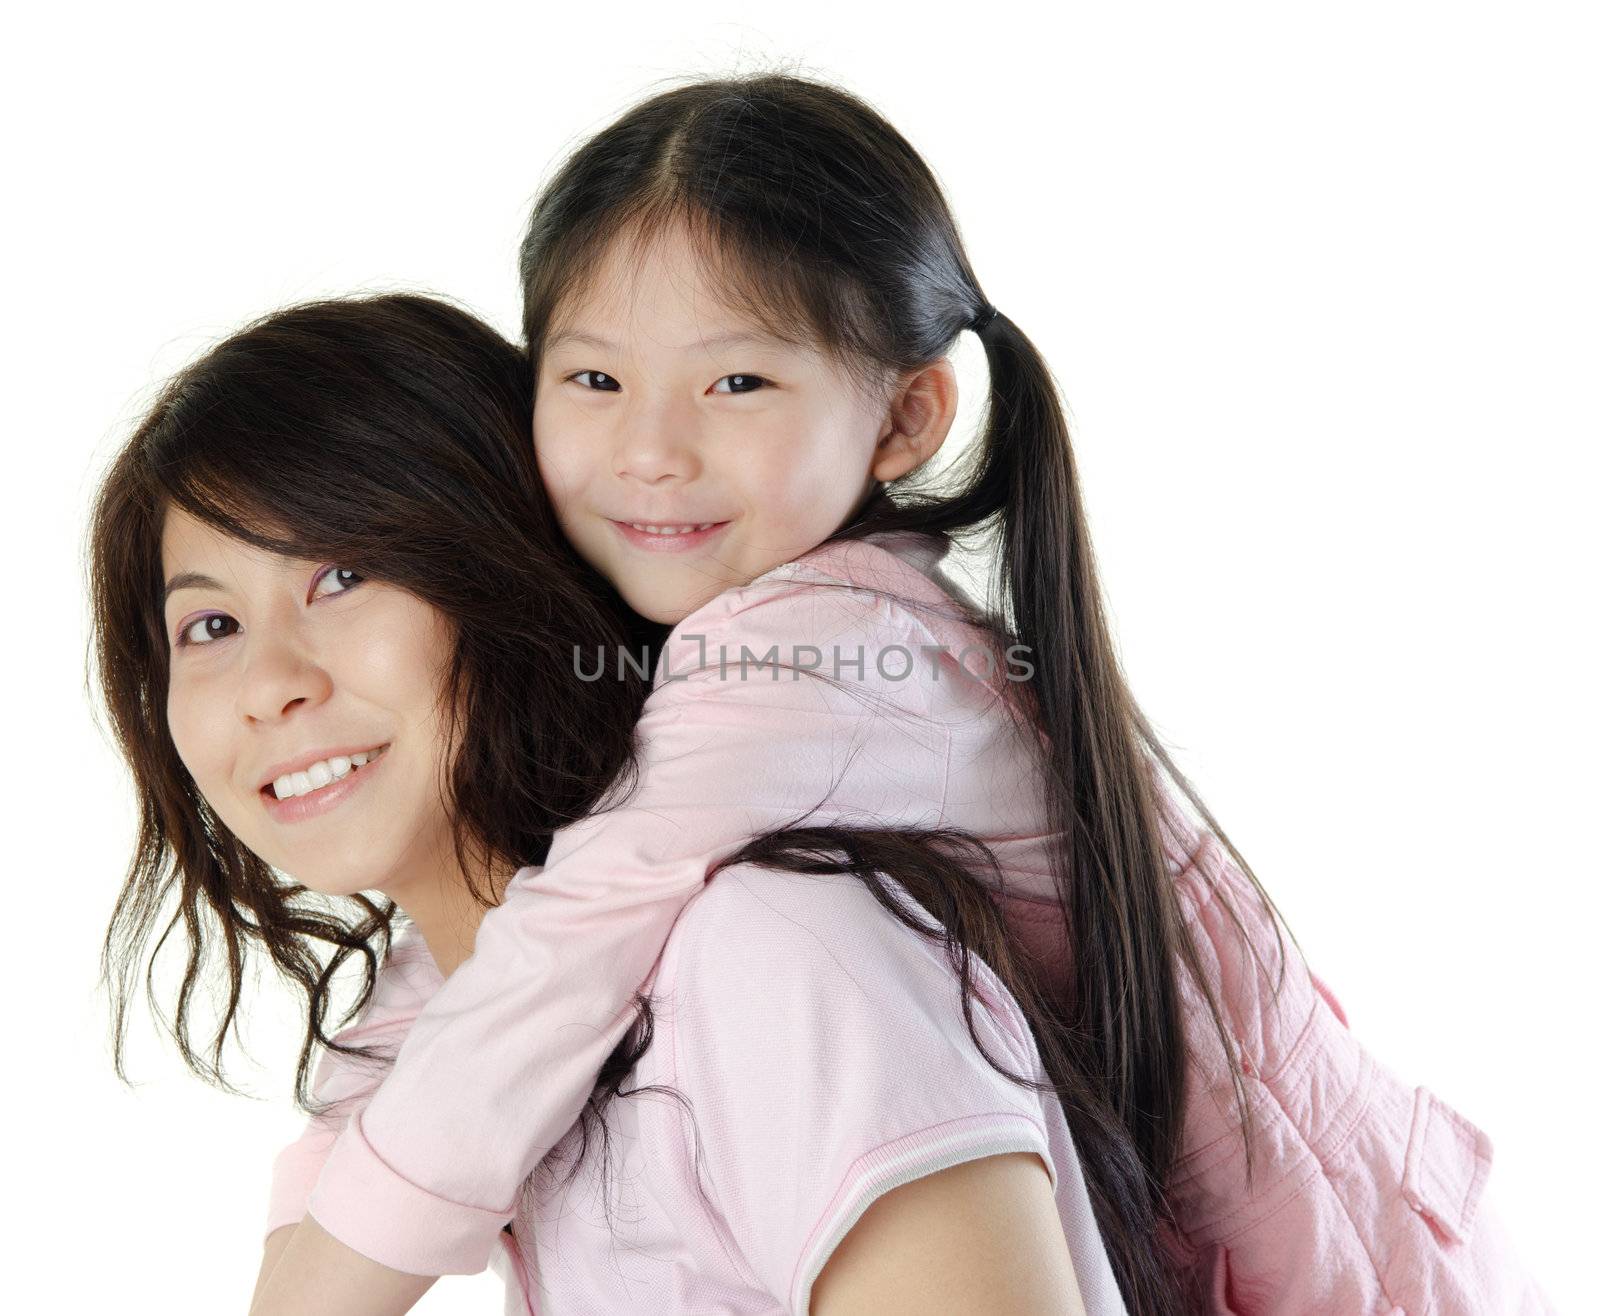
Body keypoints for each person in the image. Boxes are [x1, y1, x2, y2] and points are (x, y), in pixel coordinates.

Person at [252, 74, 1555, 1315]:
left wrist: (324, 1283)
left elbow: (559, 946)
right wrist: (324, 1173)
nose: (648, 448)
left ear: (901, 421)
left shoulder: (809, 661)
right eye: (595, 379)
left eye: (738, 381)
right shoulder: (753, 629)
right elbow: (497, 934)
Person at [88, 293, 1122, 1314]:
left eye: (345, 575)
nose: (270, 682)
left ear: (506, 562)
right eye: (210, 625)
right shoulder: (425, 1023)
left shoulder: (773, 951)